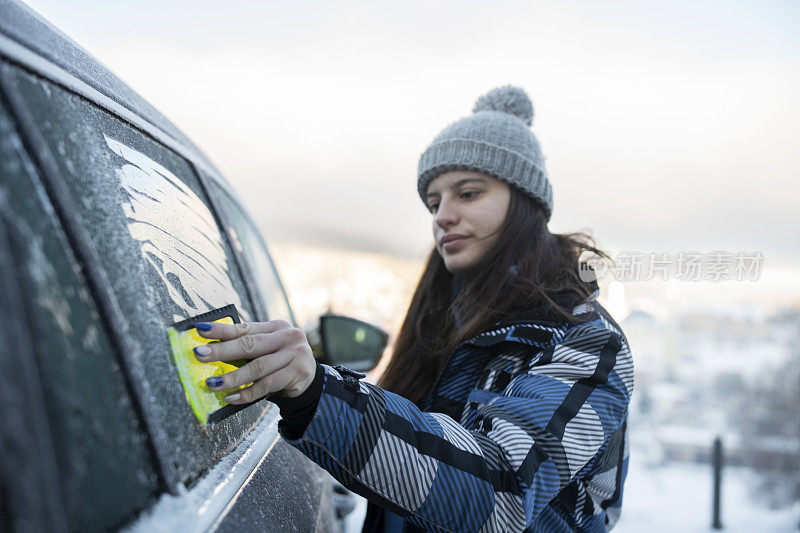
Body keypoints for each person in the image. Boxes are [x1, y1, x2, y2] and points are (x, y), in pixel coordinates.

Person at [192, 86, 634, 532]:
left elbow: (503, 494)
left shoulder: (585, 341)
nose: (442, 215)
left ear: (526, 204)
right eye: (434, 202)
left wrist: (318, 394)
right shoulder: (448, 325)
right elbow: (411, 450)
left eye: (467, 193)